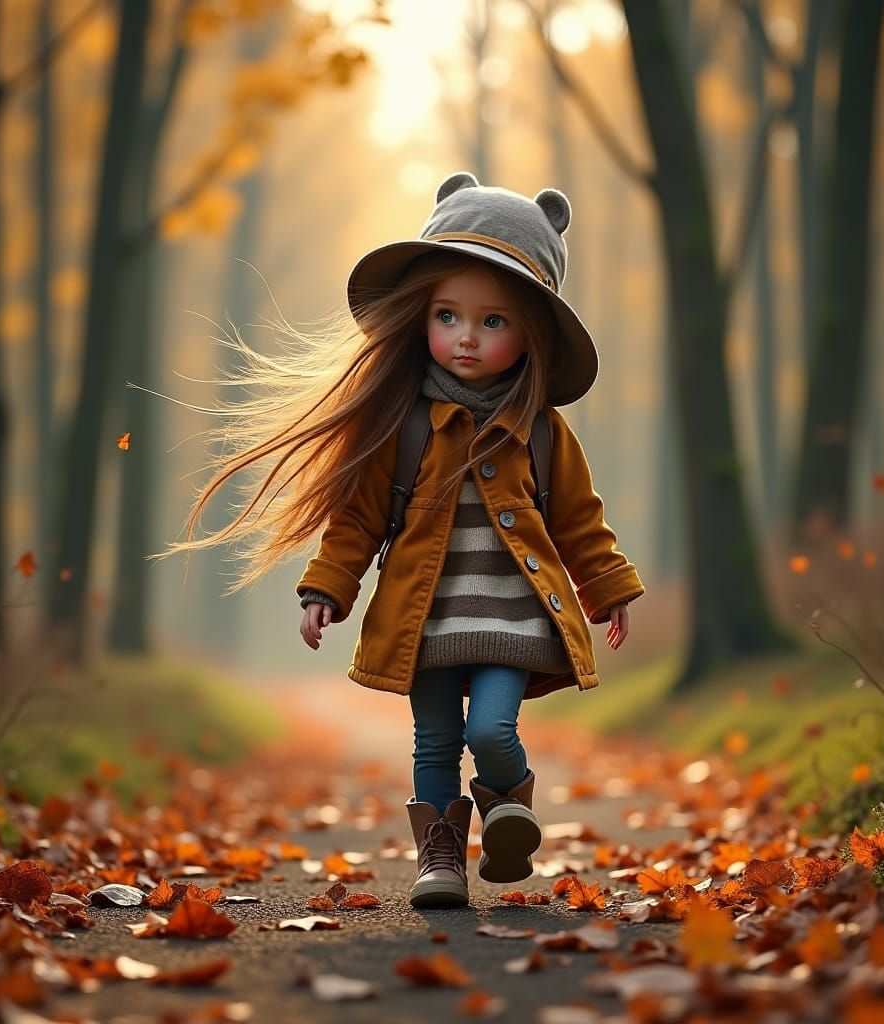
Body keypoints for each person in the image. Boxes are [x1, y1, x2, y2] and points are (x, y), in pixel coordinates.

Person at [161, 171, 645, 910]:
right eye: (449, 315)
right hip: (424, 617)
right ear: (421, 318)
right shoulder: (406, 423)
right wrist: (326, 588)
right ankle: (441, 860)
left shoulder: (542, 432)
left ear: (530, 335)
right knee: (432, 746)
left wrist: (609, 589)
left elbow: (580, 519)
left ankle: (510, 807)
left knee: (490, 728)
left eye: (493, 322)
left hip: (511, 618)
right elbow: (357, 518)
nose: (466, 338)